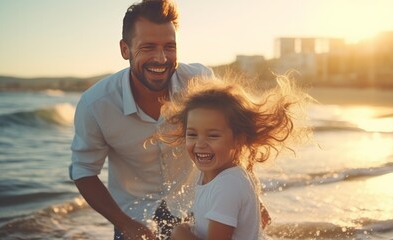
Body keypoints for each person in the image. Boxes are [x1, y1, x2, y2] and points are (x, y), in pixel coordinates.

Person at [69, 1, 214, 239]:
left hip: (197, 209)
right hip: (133, 216)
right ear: (125, 49)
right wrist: (126, 225)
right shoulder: (95, 104)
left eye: (169, 46)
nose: (161, 58)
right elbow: (84, 170)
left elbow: (232, 142)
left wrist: (249, 196)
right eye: (148, 47)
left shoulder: (200, 83)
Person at [153, 74, 309, 240]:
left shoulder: (227, 185)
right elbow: (260, 220)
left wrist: (180, 234)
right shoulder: (214, 174)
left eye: (212, 136)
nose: (200, 144)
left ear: (238, 140)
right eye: (192, 134)